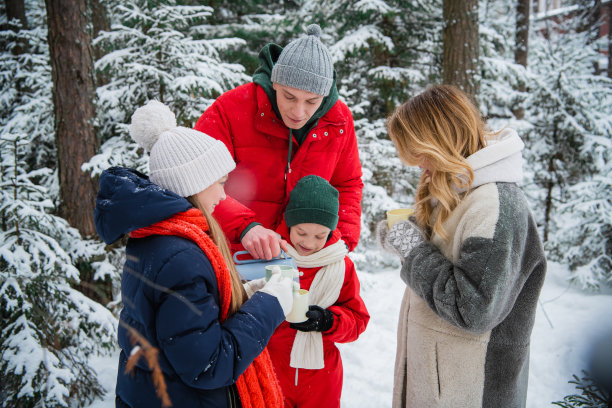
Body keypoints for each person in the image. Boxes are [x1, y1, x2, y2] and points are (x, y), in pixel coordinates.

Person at [94, 100, 296, 408]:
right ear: (193, 185)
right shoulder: (180, 258)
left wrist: (247, 296)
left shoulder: (157, 238)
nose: (222, 196)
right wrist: (270, 305)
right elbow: (208, 365)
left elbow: (186, 328)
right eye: (217, 184)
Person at [377, 85, 547, 408]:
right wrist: (406, 231)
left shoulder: (496, 205)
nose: (420, 167)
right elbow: (446, 248)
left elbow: (473, 307)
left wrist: (412, 247)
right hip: (441, 387)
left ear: (440, 141)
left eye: (420, 154)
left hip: (472, 392)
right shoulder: (460, 186)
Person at [194, 24, 363, 259]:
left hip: (305, 263)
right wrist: (244, 226)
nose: (299, 111)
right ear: (275, 82)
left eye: (311, 101)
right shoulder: (229, 109)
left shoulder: (339, 120)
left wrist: (341, 240)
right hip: (233, 255)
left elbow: (347, 184)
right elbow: (197, 180)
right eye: (289, 96)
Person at [265, 175, 370, 408]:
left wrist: (328, 321)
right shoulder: (270, 255)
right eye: (301, 233)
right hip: (271, 369)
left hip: (321, 378)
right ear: (289, 223)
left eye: (320, 236)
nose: (309, 243)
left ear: (330, 232)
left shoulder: (341, 266)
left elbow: (358, 319)